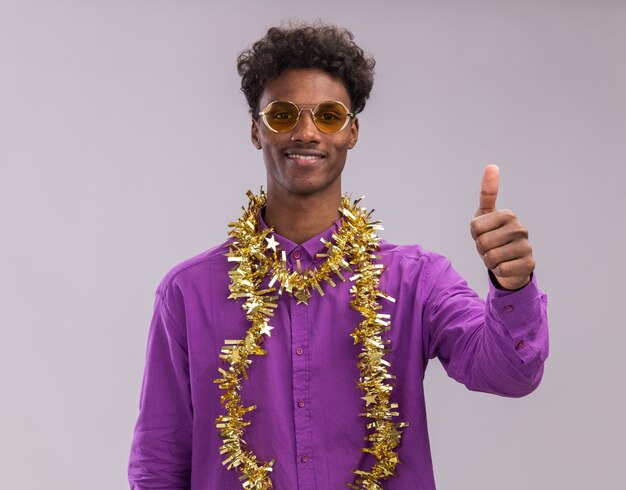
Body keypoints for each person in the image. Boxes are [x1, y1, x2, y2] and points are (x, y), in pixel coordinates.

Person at [128, 23, 548, 490]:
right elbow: (159, 463)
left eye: (328, 115)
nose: (307, 133)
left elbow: (511, 374)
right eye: (283, 114)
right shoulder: (188, 293)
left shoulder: (415, 280)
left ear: (352, 131)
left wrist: (514, 288)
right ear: (256, 130)